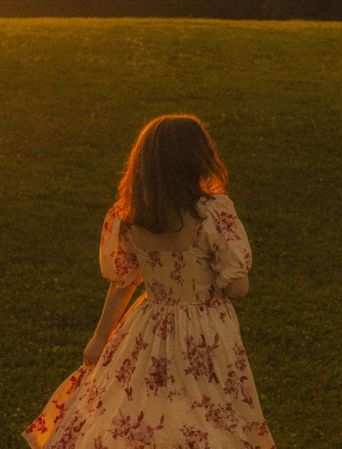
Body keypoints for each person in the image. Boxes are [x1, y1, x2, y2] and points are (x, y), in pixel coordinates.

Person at [20, 113, 277, 449]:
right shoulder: (214, 212)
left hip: (148, 325)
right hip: (205, 330)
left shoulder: (131, 216)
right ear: (198, 158)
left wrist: (99, 341)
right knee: (209, 408)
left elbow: (122, 283)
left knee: (140, 405)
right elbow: (237, 287)